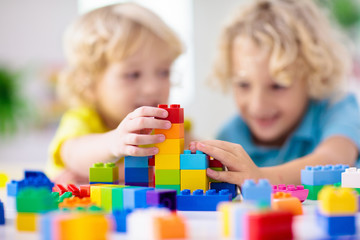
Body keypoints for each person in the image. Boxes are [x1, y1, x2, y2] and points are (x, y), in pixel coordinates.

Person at [190, 0, 360, 185]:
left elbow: (335, 160)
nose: (258, 105)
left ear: (313, 76)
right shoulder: (232, 134)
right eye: (244, 85)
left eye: (278, 85)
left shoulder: (338, 109)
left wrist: (261, 178)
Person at [47, 3, 183, 184]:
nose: (152, 87)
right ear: (89, 83)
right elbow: (73, 155)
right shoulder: (83, 120)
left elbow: (196, 152)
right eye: (133, 75)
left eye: (164, 72)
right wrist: (114, 143)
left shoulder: (164, 125)